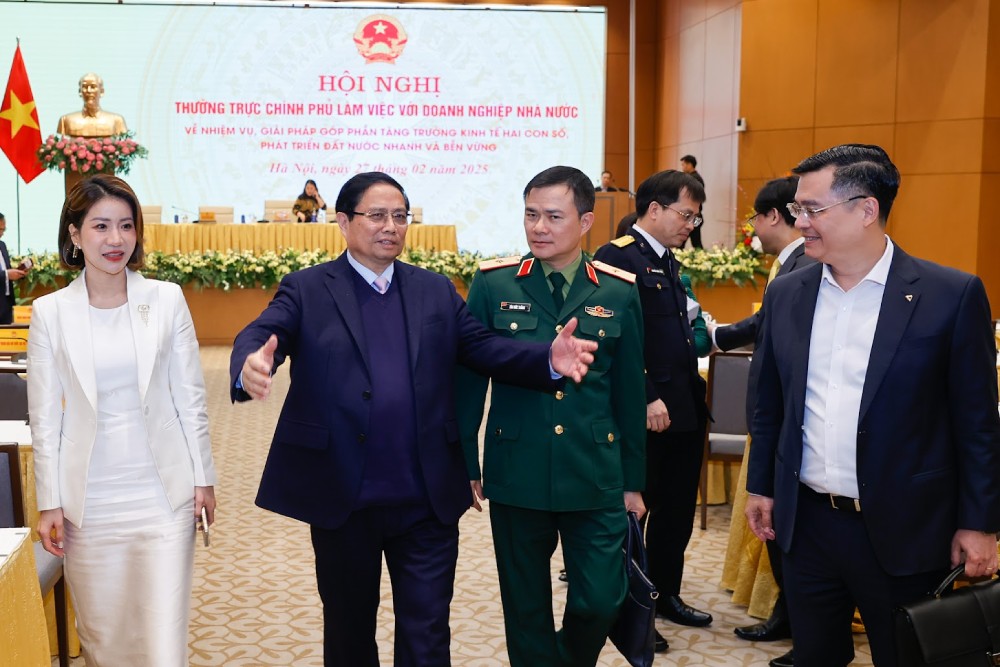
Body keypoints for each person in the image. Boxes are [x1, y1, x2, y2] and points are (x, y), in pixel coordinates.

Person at [229, 171, 599, 667]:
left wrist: (548, 361)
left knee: (426, 632)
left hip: (425, 497)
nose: (391, 227)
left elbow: (483, 348)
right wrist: (251, 363)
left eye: (400, 216)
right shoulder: (308, 288)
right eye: (377, 215)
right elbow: (262, 332)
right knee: (349, 628)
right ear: (343, 222)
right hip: (343, 495)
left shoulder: (433, 291)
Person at [745, 144, 1000, 667]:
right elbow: (769, 401)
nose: (800, 223)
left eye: (812, 210)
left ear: (866, 210)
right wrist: (762, 486)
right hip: (807, 526)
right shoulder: (788, 293)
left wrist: (980, 524)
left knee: (906, 656)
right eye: (797, 209)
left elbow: (978, 425)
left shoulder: (949, 296)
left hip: (907, 530)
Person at [456, 166, 646, 666]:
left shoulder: (618, 291)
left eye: (553, 216)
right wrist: (465, 462)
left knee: (600, 600)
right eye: (531, 214)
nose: (539, 227)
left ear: (585, 222)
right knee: (525, 607)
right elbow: (470, 379)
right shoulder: (494, 285)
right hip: (517, 467)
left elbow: (629, 394)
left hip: (595, 471)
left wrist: (633, 480)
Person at [28, 174, 217, 666]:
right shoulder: (49, 313)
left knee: (162, 641)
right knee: (104, 640)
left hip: (163, 496)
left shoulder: (166, 299)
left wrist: (203, 478)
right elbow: (44, 418)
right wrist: (49, 502)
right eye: (101, 226)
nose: (116, 240)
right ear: (74, 234)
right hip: (88, 503)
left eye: (126, 226)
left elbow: (189, 396)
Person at [594, 169, 711, 652]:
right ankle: (631, 604)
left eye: (696, 216)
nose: (691, 224)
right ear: (654, 209)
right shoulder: (617, 256)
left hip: (683, 407)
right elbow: (611, 337)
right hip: (648, 410)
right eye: (686, 214)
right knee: (637, 512)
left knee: (677, 510)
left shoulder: (667, 261)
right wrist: (643, 395)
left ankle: (667, 594)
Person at [710, 175, 812, 667]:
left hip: (791, 421)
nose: (752, 227)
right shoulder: (787, 263)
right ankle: (788, 615)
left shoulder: (804, 263)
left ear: (775, 215)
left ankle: (798, 622)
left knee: (790, 525)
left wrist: (717, 335)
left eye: (754, 217)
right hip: (772, 416)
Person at [56, 73, 128, 137]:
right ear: (80, 92)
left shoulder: (116, 120)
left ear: (102, 91)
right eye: (84, 87)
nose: (89, 91)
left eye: (93, 87)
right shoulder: (66, 120)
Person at [0, 212, 27, 324]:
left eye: (3, 230)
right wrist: (7, 274)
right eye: (0, 229)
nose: (2, 233)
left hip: (6, 303)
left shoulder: (2, 245)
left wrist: (19, 271)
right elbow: (5, 273)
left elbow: (7, 271)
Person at [680, 155, 705, 249]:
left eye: (683, 165)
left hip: (693, 216)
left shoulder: (693, 179)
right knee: (695, 241)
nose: (682, 167)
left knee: (683, 241)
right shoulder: (693, 178)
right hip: (694, 216)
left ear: (690, 164)